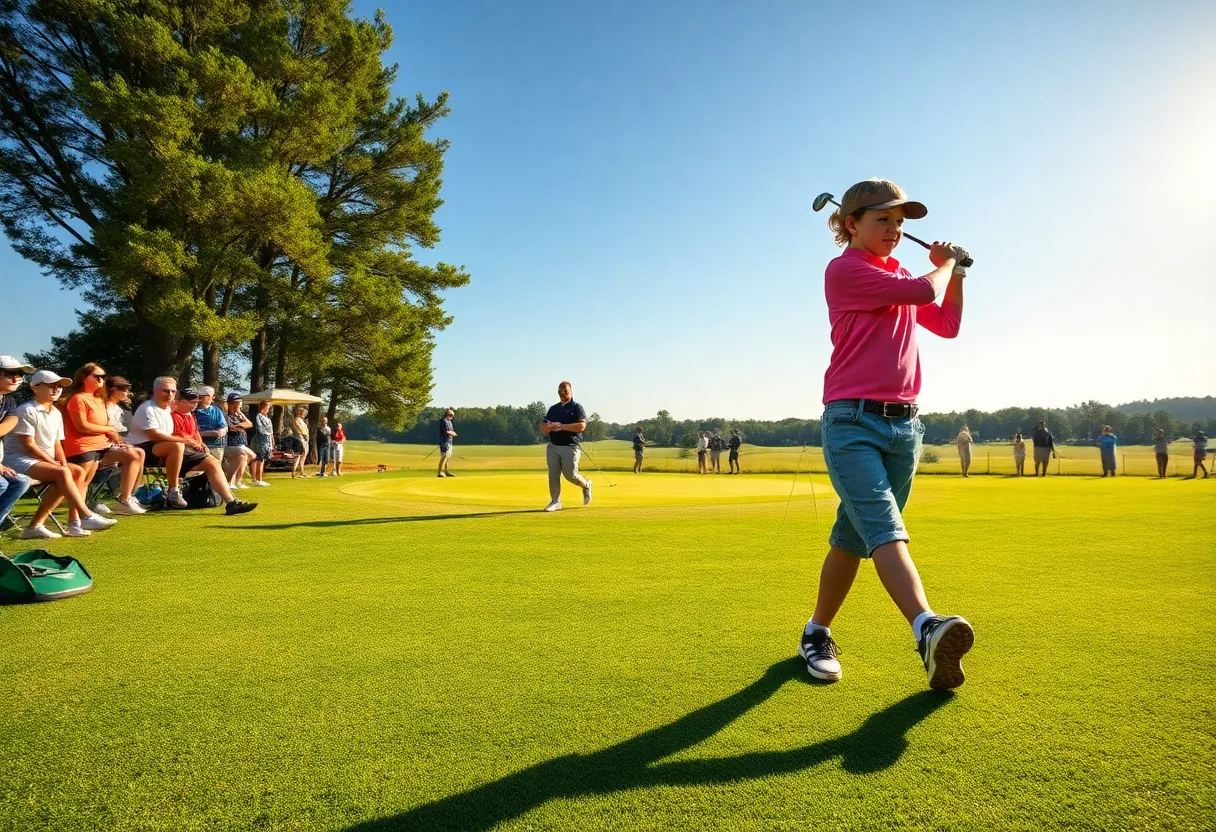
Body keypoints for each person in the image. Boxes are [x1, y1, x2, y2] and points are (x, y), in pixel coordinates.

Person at [801, 178, 973, 691]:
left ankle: (815, 631)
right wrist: (943, 264)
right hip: (852, 421)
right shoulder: (846, 270)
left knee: (855, 536)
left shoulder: (897, 270)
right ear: (851, 223)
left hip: (905, 427)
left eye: (900, 224)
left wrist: (957, 273)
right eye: (884, 221)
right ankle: (927, 627)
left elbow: (944, 323)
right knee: (884, 527)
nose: (895, 231)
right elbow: (925, 290)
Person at [2, 370, 118, 539]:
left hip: (41, 462)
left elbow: (57, 443)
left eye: (59, 387)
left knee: (75, 471)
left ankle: (38, 525)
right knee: (62, 472)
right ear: (35, 387)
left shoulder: (56, 413)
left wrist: (61, 462)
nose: (56, 390)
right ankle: (86, 515)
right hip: (18, 461)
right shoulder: (26, 410)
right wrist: (54, 464)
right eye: (50, 386)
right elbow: (28, 445)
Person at [126, 376, 257, 515]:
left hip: (170, 451)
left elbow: (188, 431)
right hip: (144, 449)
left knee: (212, 462)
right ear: (154, 391)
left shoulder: (167, 409)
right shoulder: (148, 408)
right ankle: (173, 491)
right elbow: (153, 436)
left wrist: (195, 442)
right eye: (165, 391)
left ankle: (231, 503)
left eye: (172, 391)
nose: (170, 394)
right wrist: (185, 440)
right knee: (178, 446)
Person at [61, 363, 146, 515]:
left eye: (103, 377)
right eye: (97, 376)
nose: (101, 379)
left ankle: (126, 499)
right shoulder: (78, 399)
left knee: (135, 453)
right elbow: (82, 426)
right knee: (82, 482)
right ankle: (79, 517)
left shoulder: (98, 400)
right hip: (83, 446)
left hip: (102, 446)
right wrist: (109, 430)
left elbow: (104, 425)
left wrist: (117, 439)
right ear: (84, 378)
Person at [540, 381, 591, 512]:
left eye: (566, 391)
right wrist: (547, 427)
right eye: (560, 392)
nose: (563, 393)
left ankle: (586, 485)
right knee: (553, 475)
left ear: (571, 391)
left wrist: (562, 426)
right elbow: (543, 427)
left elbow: (581, 426)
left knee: (570, 475)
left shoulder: (576, 407)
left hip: (570, 446)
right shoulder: (553, 409)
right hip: (553, 446)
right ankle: (555, 501)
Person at [0, 356, 34, 530]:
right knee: (2, 484)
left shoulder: (8, 401)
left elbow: (10, 422)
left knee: (20, 481)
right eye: (10, 374)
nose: (16, 379)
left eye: (20, 374)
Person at [223, 392, 257, 488]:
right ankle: (232, 481)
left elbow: (249, 424)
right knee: (249, 456)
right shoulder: (226, 416)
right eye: (238, 402)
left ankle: (237, 481)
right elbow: (233, 428)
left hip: (241, 442)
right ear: (231, 404)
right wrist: (242, 426)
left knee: (244, 460)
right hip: (232, 442)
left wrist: (241, 418)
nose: (240, 404)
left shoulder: (239, 415)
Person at [193, 386, 228, 463]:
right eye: (199, 396)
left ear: (213, 396)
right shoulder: (192, 410)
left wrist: (221, 432)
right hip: (197, 446)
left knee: (216, 467)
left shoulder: (216, 410)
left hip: (215, 446)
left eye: (204, 395)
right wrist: (209, 433)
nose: (201, 398)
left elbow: (224, 427)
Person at [248, 400, 273, 486]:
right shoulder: (258, 416)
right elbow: (260, 428)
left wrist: (271, 442)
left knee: (262, 460)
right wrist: (267, 433)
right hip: (258, 440)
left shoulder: (267, 418)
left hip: (266, 441)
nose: (268, 409)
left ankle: (259, 479)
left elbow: (271, 432)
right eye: (267, 407)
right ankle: (255, 479)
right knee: (257, 459)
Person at [437, 408, 456, 478]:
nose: (452, 417)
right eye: (451, 415)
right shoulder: (443, 420)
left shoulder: (450, 422)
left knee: (448, 457)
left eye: (452, 416)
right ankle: (440, 472)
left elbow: (451, 431)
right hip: (444, 441)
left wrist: (452, 433)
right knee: (444, 456)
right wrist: (453, 433)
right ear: (448, 414)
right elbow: (446, 431)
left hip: (450, 441)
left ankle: (446, 471)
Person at [290, 406, 308, 478]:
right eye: (300, 411)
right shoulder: (295, 420)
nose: (301, 412)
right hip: (298, 440)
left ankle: (301, 472)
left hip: (304, 440)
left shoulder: (302, 420)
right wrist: (305, 435)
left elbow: (305, 430)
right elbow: (299, 430)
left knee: (303, 456)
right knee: (297, 456)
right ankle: (293, 473)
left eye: (302, 411)